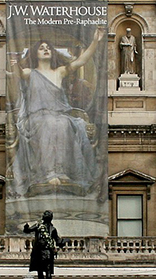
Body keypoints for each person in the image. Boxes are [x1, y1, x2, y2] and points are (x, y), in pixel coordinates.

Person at [8, 32, 102, 195]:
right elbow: (18, 74)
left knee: (64, 124)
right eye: (41, 48)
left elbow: (81, 61)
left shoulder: (59, 72)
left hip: (59, 115)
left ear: (52, 52)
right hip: (36, 117)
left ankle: (63, 172)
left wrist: (94, 41)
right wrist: (14, 64)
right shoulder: (30, 73)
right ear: (35, 53)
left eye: (48, 48)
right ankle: (48, 173)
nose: (45, 50)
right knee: (50, 123)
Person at [23, 210, 64, 279]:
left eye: (46, 214)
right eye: (44, 214)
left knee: (47, 271)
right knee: (40, 271)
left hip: (47, 251)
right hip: (39, 252)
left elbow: (57, 240)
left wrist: (62, 242)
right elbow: (28, 230)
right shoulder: (39, 226)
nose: (44, 215)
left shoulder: (52, 229)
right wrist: (26, 228)